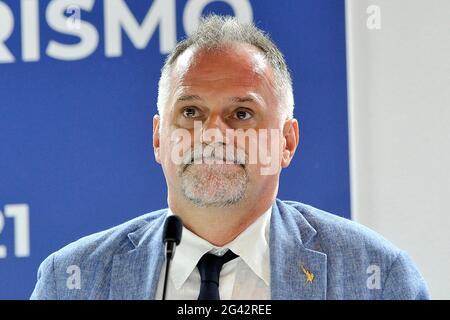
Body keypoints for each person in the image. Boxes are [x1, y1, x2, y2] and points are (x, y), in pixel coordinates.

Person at [30, 15, 429, 300]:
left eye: (241, 114)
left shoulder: (375, 278)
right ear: (157, 138)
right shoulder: (70, 283)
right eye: (190, 112)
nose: (213, 134)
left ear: (287, 142)